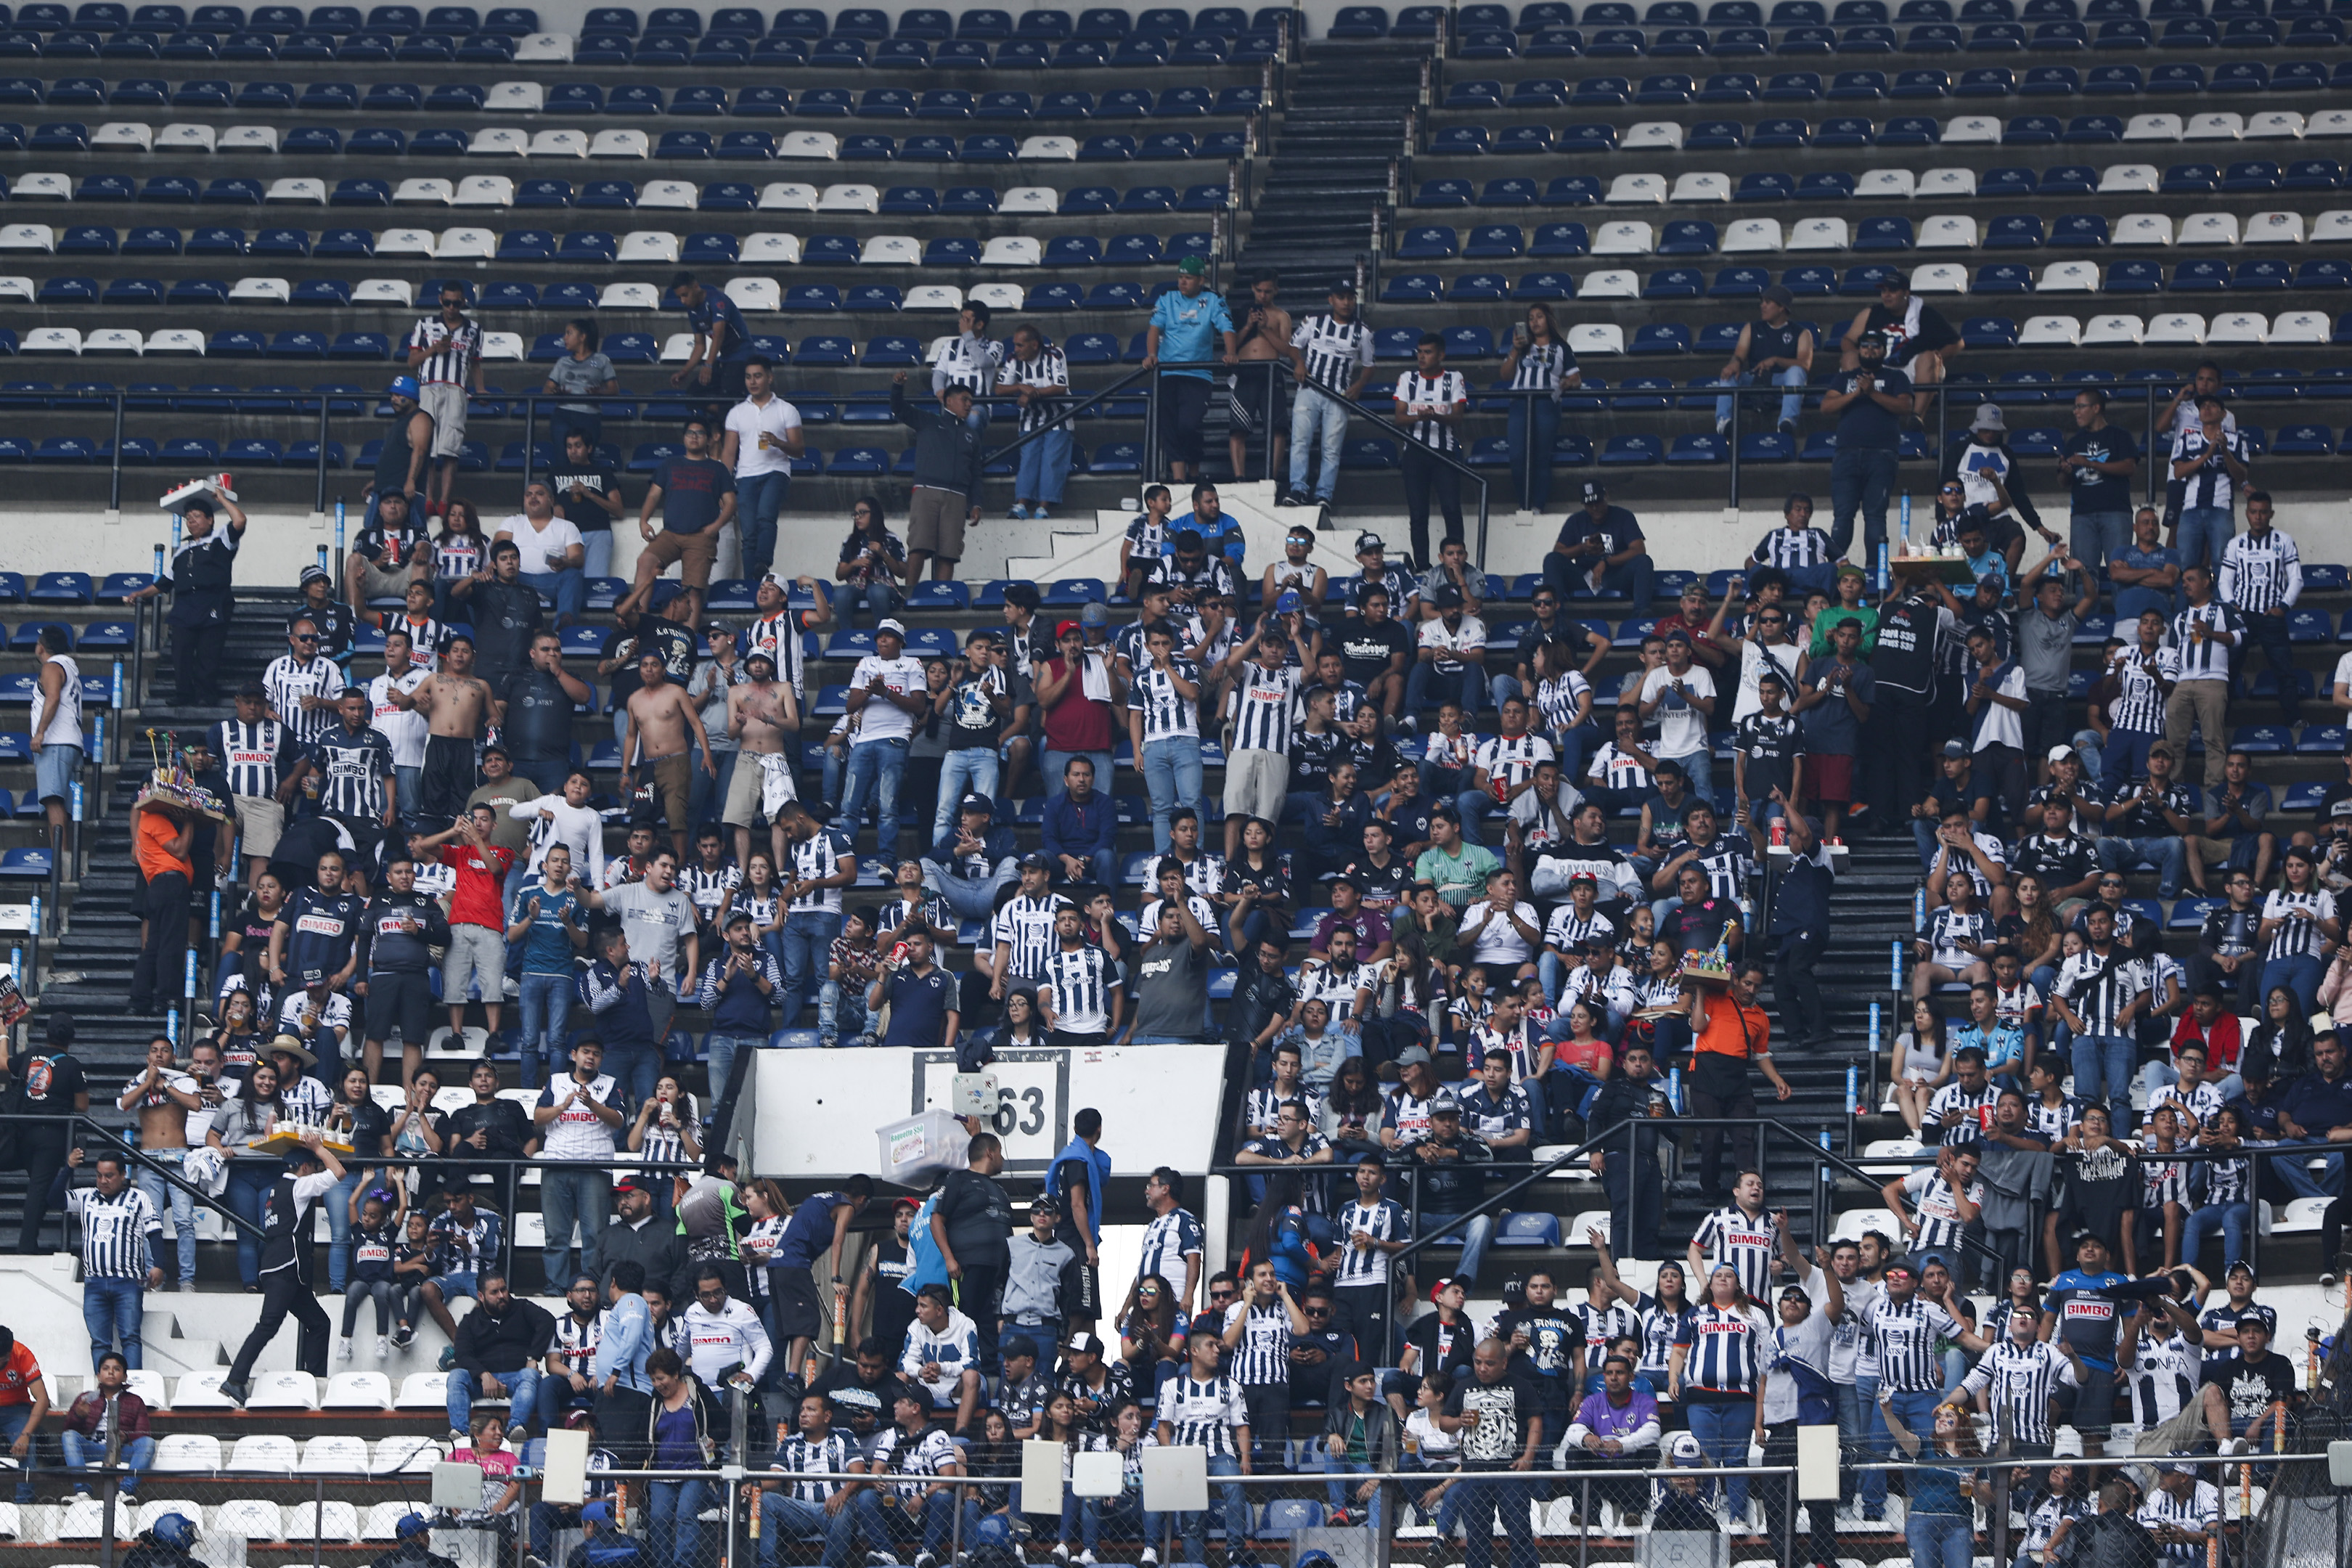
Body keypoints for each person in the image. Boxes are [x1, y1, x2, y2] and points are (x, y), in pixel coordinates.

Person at [219, 1132, 346, 1403]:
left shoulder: (275, 1189)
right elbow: (338, 1172)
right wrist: (319, 1148)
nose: (316, 1171)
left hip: (284, 1270)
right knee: (268, 1325)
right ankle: (235, 1380)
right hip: (285, 1269)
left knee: (319, 1323)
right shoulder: (299, 1187)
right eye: (313, 1167)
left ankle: (313, 1380)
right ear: (305, 1167)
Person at [62, 1149, 162, 1370]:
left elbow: (154, 1232)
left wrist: (159, 1265)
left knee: (130, 1338)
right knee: (99, 1342)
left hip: (128, 1281)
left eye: (109, 1176)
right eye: (99, 1175)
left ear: (123, 1175)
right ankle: (102, 1397)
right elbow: (52, 1199)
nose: (103, 1181)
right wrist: (68, 1168)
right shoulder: (87, 1196)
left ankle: (134, 1393)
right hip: (94, 1282)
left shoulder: (139, 1197)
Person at [1143, 255, 1238, 486]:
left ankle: (1194, 469)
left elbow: (1226, 327)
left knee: (1188, 425)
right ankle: (1179, 479)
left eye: (1188, 278)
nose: (1182, 282)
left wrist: (1231, 352)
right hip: (1167, 372)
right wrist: (1152, 355)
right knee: (1169, 427)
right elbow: (1154, 328)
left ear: (1201, 280)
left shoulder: (1213, 299)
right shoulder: (1168, 298)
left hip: (1198, 374)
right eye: (1180, 277)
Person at [1821, 330, 1914, 564]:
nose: (1870, 350)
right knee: (1842, 517)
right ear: (1859, 350)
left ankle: (1874, 572)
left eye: (1875, 346)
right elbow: (1826, 407)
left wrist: (1871, 392)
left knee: (1874, 517)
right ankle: (1834, 571)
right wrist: (1856, 393)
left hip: (1882, 455)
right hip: (1846, 454)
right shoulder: (1845, 378)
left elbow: (1905, 406)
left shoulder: (1896, 377)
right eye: (1865, 346)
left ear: (1884, 351)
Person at [1285, 279, 1376, 511]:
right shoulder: (1314, 323)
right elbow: (1294, 346)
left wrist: (1360, 385)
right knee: (1300, 440)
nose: (1346, 302)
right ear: (1331, 299)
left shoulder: (1363, 332)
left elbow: (1369, 364)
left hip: (1339, 394)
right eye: (1341, 297)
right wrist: (1299, 363)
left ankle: (1324, 494)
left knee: (1331, 448)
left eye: (1350, 297)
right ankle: (1298, 488)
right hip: (1310, 389)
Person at [890, 372, 986, 586]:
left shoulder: (972, 435)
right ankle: (909, 595)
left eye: (971, 400)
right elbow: (899, 409)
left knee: (949, 552)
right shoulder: (928, 421)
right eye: (964, 399)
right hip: (927, 491)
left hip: (958, 497)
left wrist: (976, 503)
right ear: (949, 401)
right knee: (919, 546)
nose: (969, 404)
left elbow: (976, 473)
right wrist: (897, 386)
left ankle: (942, 596)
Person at [716, 355, 801, 584]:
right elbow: (728, 453)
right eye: (748, 377)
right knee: (749, 534)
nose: (752, 381)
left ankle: (763, 564)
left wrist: (779, 442)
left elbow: (799, 450)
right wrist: (723, 487)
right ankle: (750, 584)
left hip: (776, 471)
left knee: (765, 518)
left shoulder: (787, 410)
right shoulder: (736, 413)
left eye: (758, 376)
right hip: (745, 476)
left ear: (769, 378)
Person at [1877, 1394, 1985, 1568]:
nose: (1941, 1420)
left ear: (1962, 1424)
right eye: (1939, 1417)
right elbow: (1902, 1435)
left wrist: (1977, 1487)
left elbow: (1986, 1498)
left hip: (1959, 1524)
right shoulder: (1927, 1446)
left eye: (1949, 1416)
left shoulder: (1975, 1457)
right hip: (1922, 1521)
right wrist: (1888, 1413)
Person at [406, 283, 486, 518]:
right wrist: (433, 350)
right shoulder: (425, 324)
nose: (452, 307)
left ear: (464, 302)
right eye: (447, 302)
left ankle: (444, 501)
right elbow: (411, 362)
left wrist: (480, 390)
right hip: (427, 388)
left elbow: (476, 363)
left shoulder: (474, 329)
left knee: (450, 449)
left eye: (457, 303)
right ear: (440, 300)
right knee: (428, 447)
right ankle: (428, 499)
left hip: (456, 390)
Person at [1392, 332, 1470, 569]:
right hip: (1414, 453)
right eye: (1419, 352)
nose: (1422, 357)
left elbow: (1458, 417)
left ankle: (1456, 563)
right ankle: (1423, 566)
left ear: (1441, 355)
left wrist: (1435, 415)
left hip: (1444, 452)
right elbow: (1399, 418)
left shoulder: (1454, 378)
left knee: (1451, 510)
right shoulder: (1407, 378)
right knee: (1418, 515)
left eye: (1427, 352)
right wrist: (1419, 416)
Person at [2169, 392, 2253, 573]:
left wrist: (2225, 452)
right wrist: (2206, 455)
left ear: (2223, 414)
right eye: (2203, 406)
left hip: (2221, 509)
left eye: (2213, 405)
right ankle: (2188, 603)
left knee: (2222, 565)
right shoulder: (2186, 440)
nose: (2206, 408)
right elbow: (2178, 472)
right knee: (2187, 566)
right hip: (2191, 509)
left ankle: (2222, 602)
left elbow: (2241, 475)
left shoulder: (2236, 440)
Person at [1714, 283, 1812, 438]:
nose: (1763, 306)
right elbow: (1739, 355)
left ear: (1782, 308)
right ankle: (1724, 422)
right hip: (1756, 378)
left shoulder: (1802, 333)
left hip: (1783, 379)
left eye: (1768, 302)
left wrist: (1777, 360)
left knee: (1796, 371)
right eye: (1762, 302)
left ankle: (1787, 422)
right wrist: (1735, 363)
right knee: (1729, 374)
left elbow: (1805, 365)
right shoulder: (1752, 328)